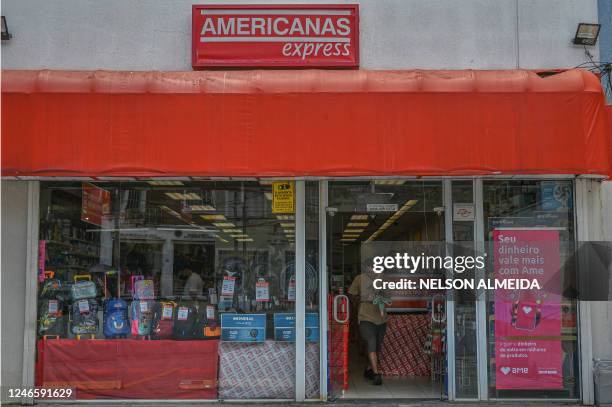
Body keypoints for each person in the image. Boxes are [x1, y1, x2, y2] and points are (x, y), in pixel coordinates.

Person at [348, 260, 388, 386]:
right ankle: (376, 375)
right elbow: (350, 295)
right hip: (365, 317)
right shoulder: (359, 279)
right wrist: (363, 299)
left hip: (381, 319)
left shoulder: (383, 279)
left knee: (376, 346)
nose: (374, 270)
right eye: (371, 267)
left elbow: (389, 297)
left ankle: (368, 368)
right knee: (371, 342)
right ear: (366, 268)